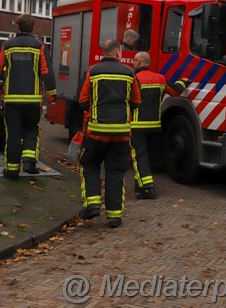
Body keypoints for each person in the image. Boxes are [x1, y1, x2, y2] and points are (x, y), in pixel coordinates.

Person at [77, 39, 141, 228]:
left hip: (96, 132)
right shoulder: (130, 73)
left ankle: (93, 205)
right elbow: (136, 102)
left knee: (89, 165)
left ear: (104, 53)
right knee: (115, 172)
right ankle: (114, 216)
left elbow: (82, 101)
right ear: (118, 53)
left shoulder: (92, 72)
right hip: (121, 133)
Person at [0, 14, 57, 181]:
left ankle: (12, 171)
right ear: (32, 28)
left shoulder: (8, 46)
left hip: (12, 101)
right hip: (33, 101)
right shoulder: (39, 46)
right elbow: (47, 72)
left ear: (18, 27)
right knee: (31, 130)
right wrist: (51, 94)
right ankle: (29, 164)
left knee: (13, 133)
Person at [131, 51, 189, 199]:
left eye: (134, 60)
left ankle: (148, 188)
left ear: (140, 62)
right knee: (148, 156)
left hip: (137, 125)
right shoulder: (160, 78)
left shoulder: (134, 79)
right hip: (155, 126)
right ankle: (140, 185)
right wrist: (184, 81)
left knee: (139, 156)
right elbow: (175, 91)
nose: (133, 63)